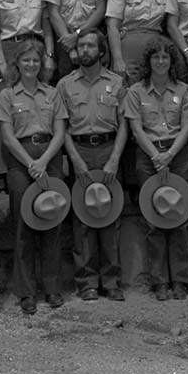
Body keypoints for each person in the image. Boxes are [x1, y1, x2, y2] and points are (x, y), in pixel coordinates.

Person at [0, 39, 68, 315]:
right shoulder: (7, 95)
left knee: (52, 221)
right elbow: (6, 136)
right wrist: (30, 163)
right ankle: (26, 291)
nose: (31, 64)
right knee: (23, 226)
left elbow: (60, 131)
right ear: (17, 63)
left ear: (41, 64)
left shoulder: (52, 94)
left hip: (49, 156)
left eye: (35, 60)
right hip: (21, 159)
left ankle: (52, 288)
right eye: (26, 60)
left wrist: (44, 161)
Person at [58, 28, 128, 301]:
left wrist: (114, 159)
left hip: (109, 149)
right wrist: (74, 159)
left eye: (90, 46)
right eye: (81, 46)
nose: (85, 50)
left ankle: (111, 281)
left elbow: (125, 125)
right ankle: (86, 282)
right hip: (80, 150)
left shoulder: (117, 82)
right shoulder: (65, 85)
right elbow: (60, 126)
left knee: (110, 215)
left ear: (101, 51)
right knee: (83, 220)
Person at [123, 38, 188, 300]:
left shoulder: (184, 90)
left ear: (171, 62)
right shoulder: (136, 92)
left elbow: (187, 126)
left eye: (165, 57)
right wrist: (156, 156)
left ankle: (181, 279)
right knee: (154, 217)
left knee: (179, 215)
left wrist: (170, 154)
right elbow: (136, 128)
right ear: (148, 62)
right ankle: (159, 280)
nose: (161, 62)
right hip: (148, 155)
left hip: (177, 154)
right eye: (156, 58)